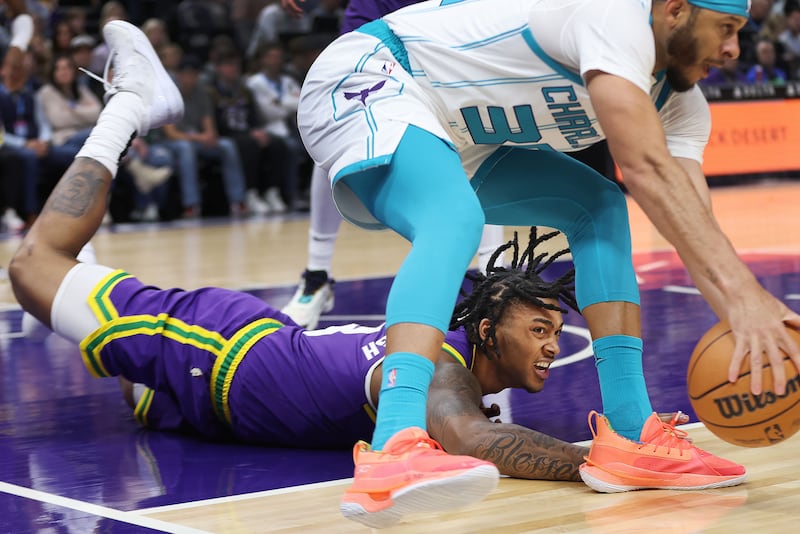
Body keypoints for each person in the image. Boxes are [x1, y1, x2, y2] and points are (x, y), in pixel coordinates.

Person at [296, 0, 800, 525]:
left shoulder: (682, 105)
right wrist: (743, 297)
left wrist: (753, 320)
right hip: (377, 72)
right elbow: (645, 169)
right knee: (454, 218)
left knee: (598, 207)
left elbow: (693, 220)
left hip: (455, 128)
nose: (733, 49)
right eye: (725, 28)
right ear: (674, 10)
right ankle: (392, 447)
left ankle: (632, 436)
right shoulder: (613, 19)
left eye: (740, 32)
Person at [279, 0, 506, 330]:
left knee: (478, 129)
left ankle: (494, 276)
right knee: (337, 131)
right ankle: (317, 277)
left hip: (448, 24)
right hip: (381, 14)